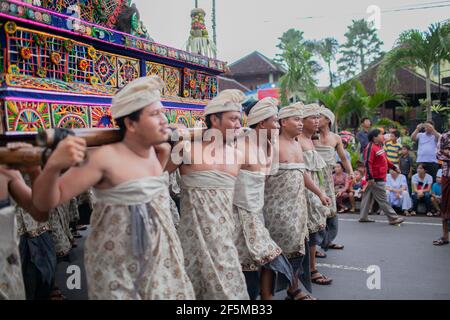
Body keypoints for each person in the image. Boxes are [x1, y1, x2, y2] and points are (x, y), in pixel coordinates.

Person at [32, 76, 195, 300]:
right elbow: (45, 202)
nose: (164, 120)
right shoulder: (103, 159)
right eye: (155, 114)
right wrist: (53, 166)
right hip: (118, 266)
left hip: (161, 261)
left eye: (162, 112)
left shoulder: (158, 152)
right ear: (131, 124)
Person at [167, 89, 249, 300]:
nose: (238, 125)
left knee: (232, 292)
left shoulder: (238, 155)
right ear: (214, 119)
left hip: (225, 240)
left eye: (239, 120)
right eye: (233, 119)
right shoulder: (186, 149)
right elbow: (156, 177)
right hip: (193, 241)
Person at [264, 103, 330, 300]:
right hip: (276, 208)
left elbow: (303, 174)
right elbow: (261, 178)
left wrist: (320, 193)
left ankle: (293, 289)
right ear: (283, 122)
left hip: (298, 206)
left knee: (297, 248)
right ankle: (268, 294)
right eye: (296, 119)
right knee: (275, 251)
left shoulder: (296, 144)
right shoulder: (271, 145)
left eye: (302, 119)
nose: (301, 123)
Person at [233, 97, 294, 300]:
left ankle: (267, 297)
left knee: (263, 259)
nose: (278, 125)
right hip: (239, 213)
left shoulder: (267, 146)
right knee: (253, 260)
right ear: (261, 123)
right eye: (275, 121)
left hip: (257, 213)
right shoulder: (240, 146)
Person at [297, 103, 333, 285]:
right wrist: (318, 193)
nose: (318, 121)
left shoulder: (310, 139)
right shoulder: (298, 141)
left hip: (314, 190)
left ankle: (311, 267)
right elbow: (302, 173)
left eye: (319, 117)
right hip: (305, 192)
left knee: (314, 231)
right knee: (309, 233)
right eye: (313, 117)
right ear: (302, 121)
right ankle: (311, 269)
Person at [315, 106, 352, 250]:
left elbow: (343, 158)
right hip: (314, 177)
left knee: (331, 211)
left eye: (320, 117)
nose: (316, 120)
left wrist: (350, 172)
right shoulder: (311, 135)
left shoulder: (336, 138)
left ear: (328, 120)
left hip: (328, 178)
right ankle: (314, 246)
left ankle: (327, 241)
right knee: (316, 211)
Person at [359, 129, 405, 225]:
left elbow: (385, 160)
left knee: (367, 196)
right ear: (375, 137)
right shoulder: (370, 147)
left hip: (377, 177)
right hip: (375, 178)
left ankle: (363, 217)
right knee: (382, 198)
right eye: (381, 134)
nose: (383, 136)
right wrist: (370, 177)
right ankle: (393, 218)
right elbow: (368, 163)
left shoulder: (379, 147)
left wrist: (394, 167)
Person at [434, 130, 450, 245]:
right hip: (447, 175)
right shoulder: (444, 136)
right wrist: (446, 154)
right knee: (445, 205)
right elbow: (438, 154)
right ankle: (445, 236)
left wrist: (448, 153)